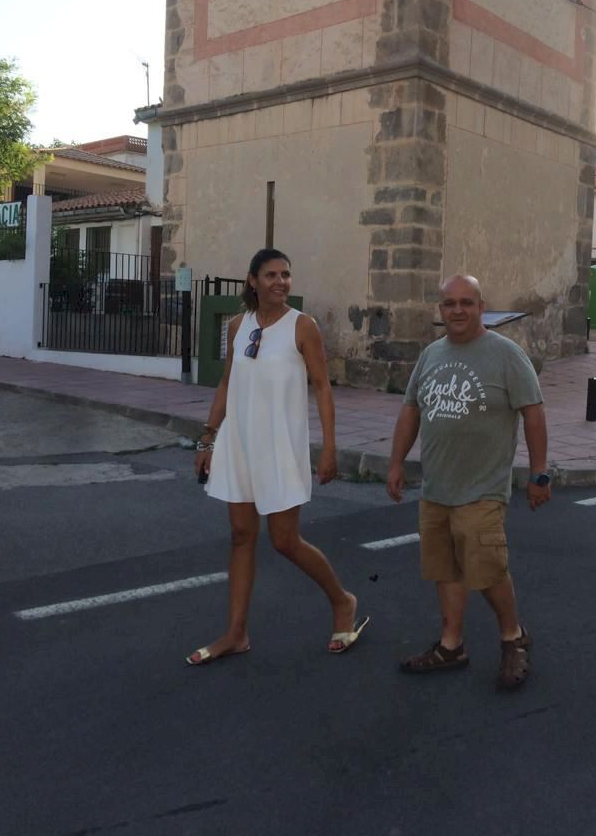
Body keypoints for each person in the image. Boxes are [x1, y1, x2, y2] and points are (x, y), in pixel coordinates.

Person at [187, 248, 369, 665]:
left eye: (285, 274)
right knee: (241, 536)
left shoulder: (302, 326)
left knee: (284, 540)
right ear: (252, 281)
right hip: (239, 442)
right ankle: (236, 633)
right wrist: (207, 439)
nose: (281, 282)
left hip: (280, 445)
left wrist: (329, 447)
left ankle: (342, 600)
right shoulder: (239, 325)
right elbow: (227, 382)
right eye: (271, 275)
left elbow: (322, 387)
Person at [386, 274, 550, 690]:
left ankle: (513, 637)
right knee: (446, 568)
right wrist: (396, 463)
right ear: (441, 310)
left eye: (466, 302)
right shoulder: (431, 354)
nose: (457, 310)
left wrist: (539, 473)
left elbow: (533, 412)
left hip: (483, 488)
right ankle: (451, 645)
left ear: (481, 307)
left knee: (488, 570)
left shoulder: (506, 355)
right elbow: (411, 409)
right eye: (450, 303)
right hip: (437, 487)